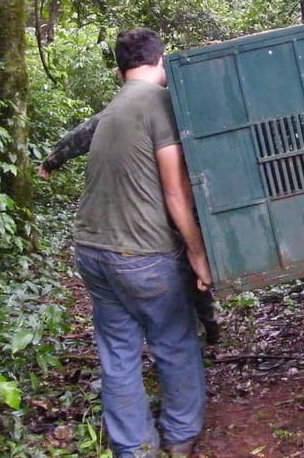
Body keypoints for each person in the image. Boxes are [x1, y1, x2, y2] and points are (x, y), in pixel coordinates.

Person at [73, 28, 212, 458]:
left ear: (120, 72)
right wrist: (196, 250)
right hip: (143, 255)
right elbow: (176, 190)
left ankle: (134, 448)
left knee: (118, 353)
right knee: (174, 341)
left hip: (91, 251)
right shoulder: (159, 104)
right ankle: (180, 435)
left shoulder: (112, 109)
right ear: (161, 59)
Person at [40, 112, 222, 346]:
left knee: (186, 264)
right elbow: (88, 131)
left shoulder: (144, 108)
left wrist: (53, 159)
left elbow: (88, 130)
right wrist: (54, 158)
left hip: (170, 199)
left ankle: (202, 327)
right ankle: (204, 326)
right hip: (170, 200)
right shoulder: (156, 106)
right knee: (187, 264)